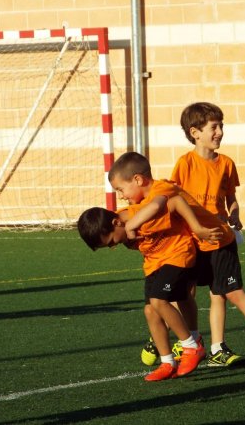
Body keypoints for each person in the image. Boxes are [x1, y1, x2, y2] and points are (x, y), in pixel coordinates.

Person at [79, 153, 221, 382]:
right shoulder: (125, 230)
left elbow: (171, 201)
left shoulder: (139, 215)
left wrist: (136, 224)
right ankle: (167, 361)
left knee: (159, 300)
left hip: (178, 254)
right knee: (150, 310)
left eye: (112, 242)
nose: (114, 246)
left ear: (116, 223)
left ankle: (191, 346)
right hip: (155, 263)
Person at [169, 101, 245, 374]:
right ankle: (191, 341)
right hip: (194, 241)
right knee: (184, 293)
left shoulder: (227, 164)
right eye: (214, 127)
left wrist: (234, 214)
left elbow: (230, 198)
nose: (220, 131)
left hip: (221, 240)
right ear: (195, 132)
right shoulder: (185, 164)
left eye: (221, 125)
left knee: (227, 292)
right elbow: (175, 199)